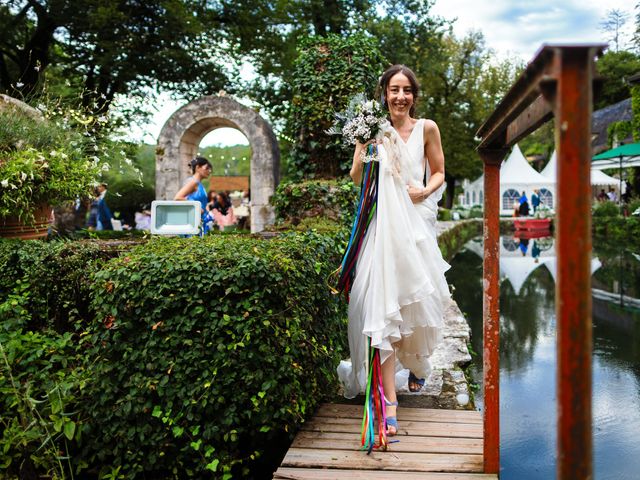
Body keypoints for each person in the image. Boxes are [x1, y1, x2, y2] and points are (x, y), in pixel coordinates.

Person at [337, 65, 450, 437]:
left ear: (414, 95)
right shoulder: (373, 128)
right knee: (382, 300)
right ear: (384, 92)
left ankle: (417, 364)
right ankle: (389, 402)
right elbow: (357, 177)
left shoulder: (427, 128)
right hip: (384, 219)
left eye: (406, 90)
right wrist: (363, 148)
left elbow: (439, 173)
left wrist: (425, 191)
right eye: (393, 90)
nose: (400, 96)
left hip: (417, 216)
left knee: (418, 297)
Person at [174, 157, 213, 232]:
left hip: (200, 221)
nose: (209, 171)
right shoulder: (193, 182)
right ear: (198, 167)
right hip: (193, 222)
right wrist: (197, 206)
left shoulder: (199, 183)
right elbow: (177, 198)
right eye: (207, 168)